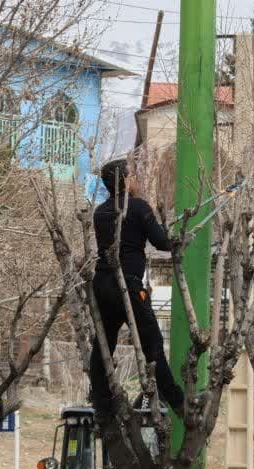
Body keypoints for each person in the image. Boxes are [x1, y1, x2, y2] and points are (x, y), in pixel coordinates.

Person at [88, 157, 185, 416]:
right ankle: (175, 400)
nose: (137, 179)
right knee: (152, 342)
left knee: (103, 345)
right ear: (125, 181)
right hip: (128, 286)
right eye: (133, 175)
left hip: (102, 285)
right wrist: (178, 237)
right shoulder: (140, 207)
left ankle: (101, 402)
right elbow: (163, 243)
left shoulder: (100, 212)